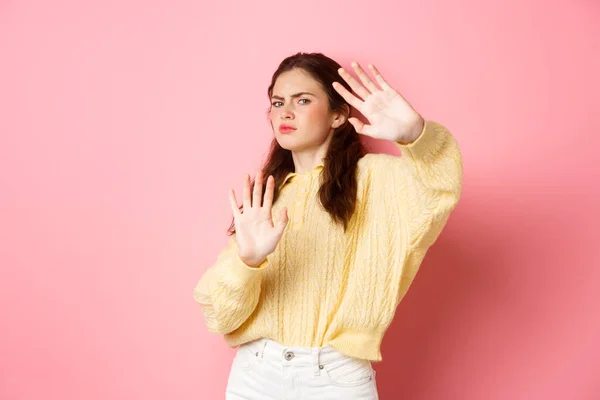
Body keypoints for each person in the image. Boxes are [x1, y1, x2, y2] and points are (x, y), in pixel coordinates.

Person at [193, 52, 463, 399]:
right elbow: (219, 316)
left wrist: (415, 135)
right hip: (255, 375)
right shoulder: (267, 196)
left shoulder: (376, 179)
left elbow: (438, 188)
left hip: (336, 377)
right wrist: (247, 261)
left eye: (303, 100)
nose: (285, 112)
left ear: (338, 114)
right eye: (277, 102)